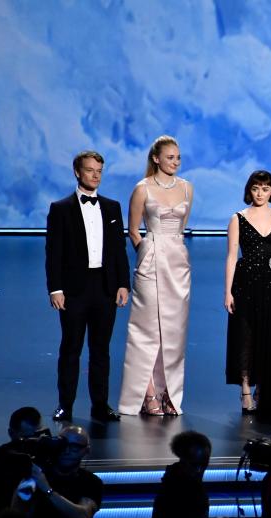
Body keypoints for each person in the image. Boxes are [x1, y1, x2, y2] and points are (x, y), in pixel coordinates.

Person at [45, 150, 130, 423]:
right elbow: (53, 252)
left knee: (101, 349)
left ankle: (100, 405)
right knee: (71, 348)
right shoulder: (60, 209)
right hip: (74, 289)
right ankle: (65, 405)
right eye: (90, 170)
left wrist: (123, 284)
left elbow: (119, 250)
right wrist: (55, 288)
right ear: (77, 172)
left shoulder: (112, 207)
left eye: (99, 170)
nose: (95, 175)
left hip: (105, 287)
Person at [118, 135, 193, 416]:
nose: (175, 162)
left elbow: (181, 227)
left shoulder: (187, 188)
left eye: (178, 157)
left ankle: (168, 392)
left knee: (174, 331)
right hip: (150, 260)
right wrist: (147, 251)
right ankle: (146, 392)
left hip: (178, 262)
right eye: (170, 157)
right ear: (156, 158)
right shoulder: (142, 189)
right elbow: (133, 229)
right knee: (147, 329)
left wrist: (170, 248)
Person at [224, 170, 271, 415]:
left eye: (265, 188)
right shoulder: (238, 218)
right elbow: (232, 257)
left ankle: (264, 390)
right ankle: (245, 390)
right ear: (249, 190)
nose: (260, 193)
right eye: (256, 188)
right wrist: (227, 292)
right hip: (245, 283)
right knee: (246, 335)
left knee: (270, 336)